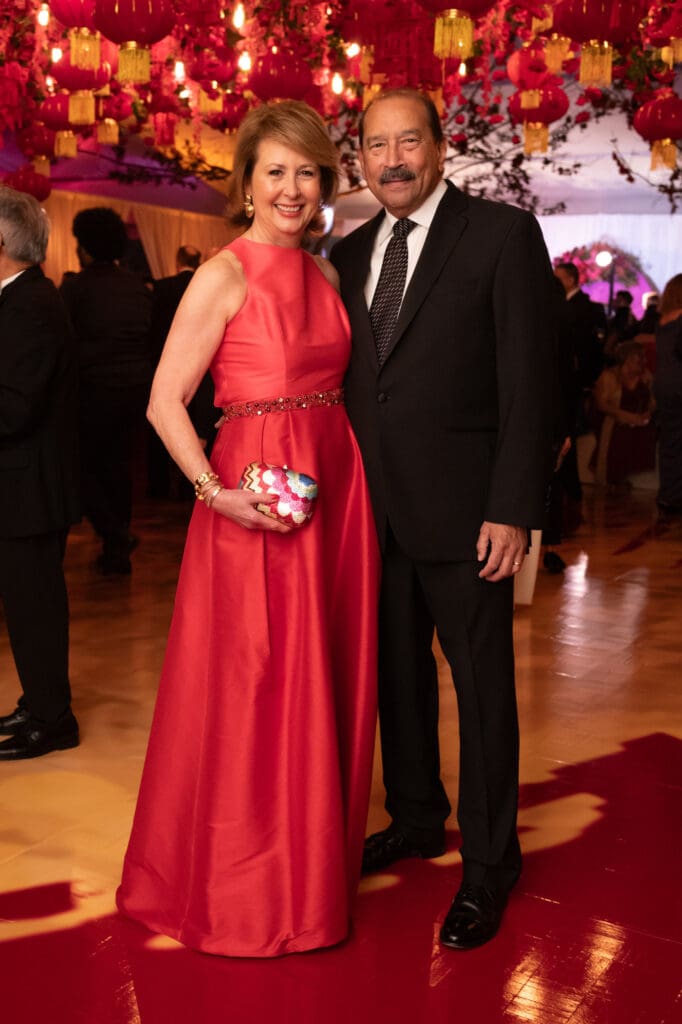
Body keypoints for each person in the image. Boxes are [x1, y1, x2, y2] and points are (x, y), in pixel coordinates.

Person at [117, 101, 380, 957]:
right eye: (276, 171)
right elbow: (163, 401)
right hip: (251, 497)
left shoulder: (331, 278)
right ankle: (249, 888)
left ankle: (311, 872)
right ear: (249, 181)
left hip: (331, 488)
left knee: (324, 671)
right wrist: (212, 492)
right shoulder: (222, 274)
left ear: (325, 181)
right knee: (255, 682)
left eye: (307, 171)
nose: (292, 188)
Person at [330, 88, 556, 950]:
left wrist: (512, 509)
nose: (392, 160)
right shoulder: (347, 256)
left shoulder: (499, 236)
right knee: (397, 684)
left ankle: (491, 864)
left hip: (470, 522)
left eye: (408, 142)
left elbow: (530, 385)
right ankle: (417, 816)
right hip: (373, 520)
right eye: (376, 145)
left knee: (483, 691)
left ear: (439, 145)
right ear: (359, 157)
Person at [0, 186, 80, 760]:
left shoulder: (30, 302)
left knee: (35, 606)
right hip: (22, 480)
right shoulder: (21, 298)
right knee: (28, 604)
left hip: (28, 483)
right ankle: (39, 701)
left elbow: (13, 406)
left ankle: (53, 719)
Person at [60, 207, 152, 575]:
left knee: (83, 468)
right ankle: (118, 545)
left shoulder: (75, 288)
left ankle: (114, 534)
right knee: (118, 466)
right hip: (135, 391)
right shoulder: (137, 287)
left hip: (93, 392)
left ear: (83, 245)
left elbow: (64, 343)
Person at [147, 244, 216, 499]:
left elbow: (153, 329)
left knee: (163, 428)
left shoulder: (162, 287)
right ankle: (191, 488)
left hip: (164, 364)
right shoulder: (207, 283)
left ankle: (159, 486)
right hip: (203, 367)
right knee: (197, 426)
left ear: (177, 261)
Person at [590, 341, 656, 486]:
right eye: (640, 358)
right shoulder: (609, 376)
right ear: (628, 359)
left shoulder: (645, 376)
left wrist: (646, 414)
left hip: (639, 423)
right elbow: (601, 405)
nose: (644, 362)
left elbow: (652, 402)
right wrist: (628, 417)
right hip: (616, 422)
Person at [654, 274, 682, 514]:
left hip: (664, 386)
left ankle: (668, 494)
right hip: (679, 386)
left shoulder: (663, 319)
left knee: (669, 442)